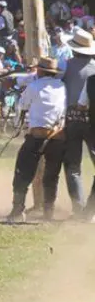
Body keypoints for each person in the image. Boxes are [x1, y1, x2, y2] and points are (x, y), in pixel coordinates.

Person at [8, 57, 68, 223]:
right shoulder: (62, 87)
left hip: (38, 135)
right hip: (58, 136)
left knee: (22, 172)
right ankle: (49, 211)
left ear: (40, 71)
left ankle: (18, 209)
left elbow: (23, 105)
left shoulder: (33, 86)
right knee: (51, 174)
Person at [61, 30, 95, 221]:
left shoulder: (65, 67)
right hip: (92, 121)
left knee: (73, 166)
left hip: (71, 119)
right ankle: (90, 209)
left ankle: (79, 207)